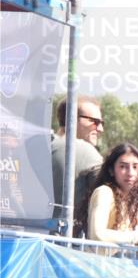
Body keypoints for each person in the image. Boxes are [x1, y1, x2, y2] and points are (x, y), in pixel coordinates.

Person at [51, 95, 104, 232]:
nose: (100, 129)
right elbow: (114, 198)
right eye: (95, 122)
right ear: (72, 119)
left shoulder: (42, 145)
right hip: (64, 241)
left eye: (101, 123)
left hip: (26, 237)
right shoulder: (86, 151)